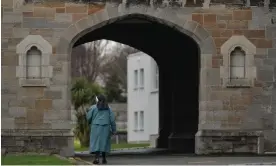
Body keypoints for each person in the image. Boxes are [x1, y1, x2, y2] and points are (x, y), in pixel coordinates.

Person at [86, 94, 117, 164]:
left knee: (97, 142)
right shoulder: (108, 108)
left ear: (97, 100)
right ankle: (104, 158)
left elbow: (88, 118)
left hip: (95, 127)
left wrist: (90, 121)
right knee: (104, 143)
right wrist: (114, 129)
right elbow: (112, 120)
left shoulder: (93, 108)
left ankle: (96, 158)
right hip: (105, 128)